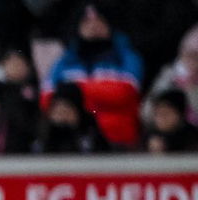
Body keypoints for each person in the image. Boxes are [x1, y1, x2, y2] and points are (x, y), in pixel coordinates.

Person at [45, 1, 142, 148]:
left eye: (99, 20)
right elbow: (47, 98)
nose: (93, 26)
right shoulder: (64, 60)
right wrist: (101, 93)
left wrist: (75, 92)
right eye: (87, 21)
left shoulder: (127, 56)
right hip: (74, 142)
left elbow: (125, 92)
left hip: (119, 140)